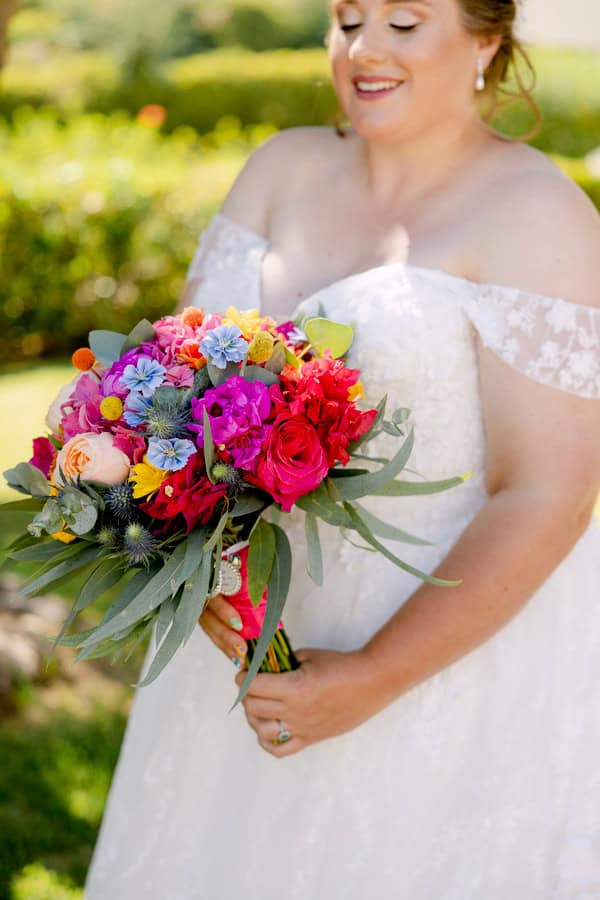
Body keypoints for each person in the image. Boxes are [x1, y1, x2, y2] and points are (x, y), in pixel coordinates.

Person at [85, 1, 600, 897]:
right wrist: (189, 560)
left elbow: (549, 490)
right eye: (348, 16)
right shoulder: (280, 168)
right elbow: (176, 391)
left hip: (439, 646)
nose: (363, 49)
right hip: (246, 640)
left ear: (485, 39)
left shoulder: (539, 214)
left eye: (404, 21)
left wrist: (372, 675)